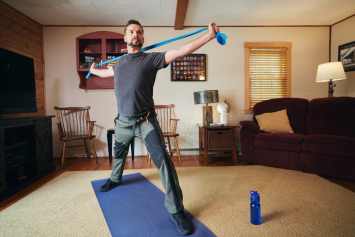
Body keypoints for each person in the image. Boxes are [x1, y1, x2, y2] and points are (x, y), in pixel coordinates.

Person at [90, 19, 220, 236]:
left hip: (145, 121)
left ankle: (177, 210)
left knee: (165, 164)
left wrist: (209, 36)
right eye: (131, 32)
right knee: (118, 153)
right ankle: (115, 178)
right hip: (122, 121)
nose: (135, 35)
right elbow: (106, 74)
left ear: (142, 38)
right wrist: (94, 70)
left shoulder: (151, 59)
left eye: (139, 32)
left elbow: (179, 51)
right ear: (125, 37)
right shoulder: (119, 63)